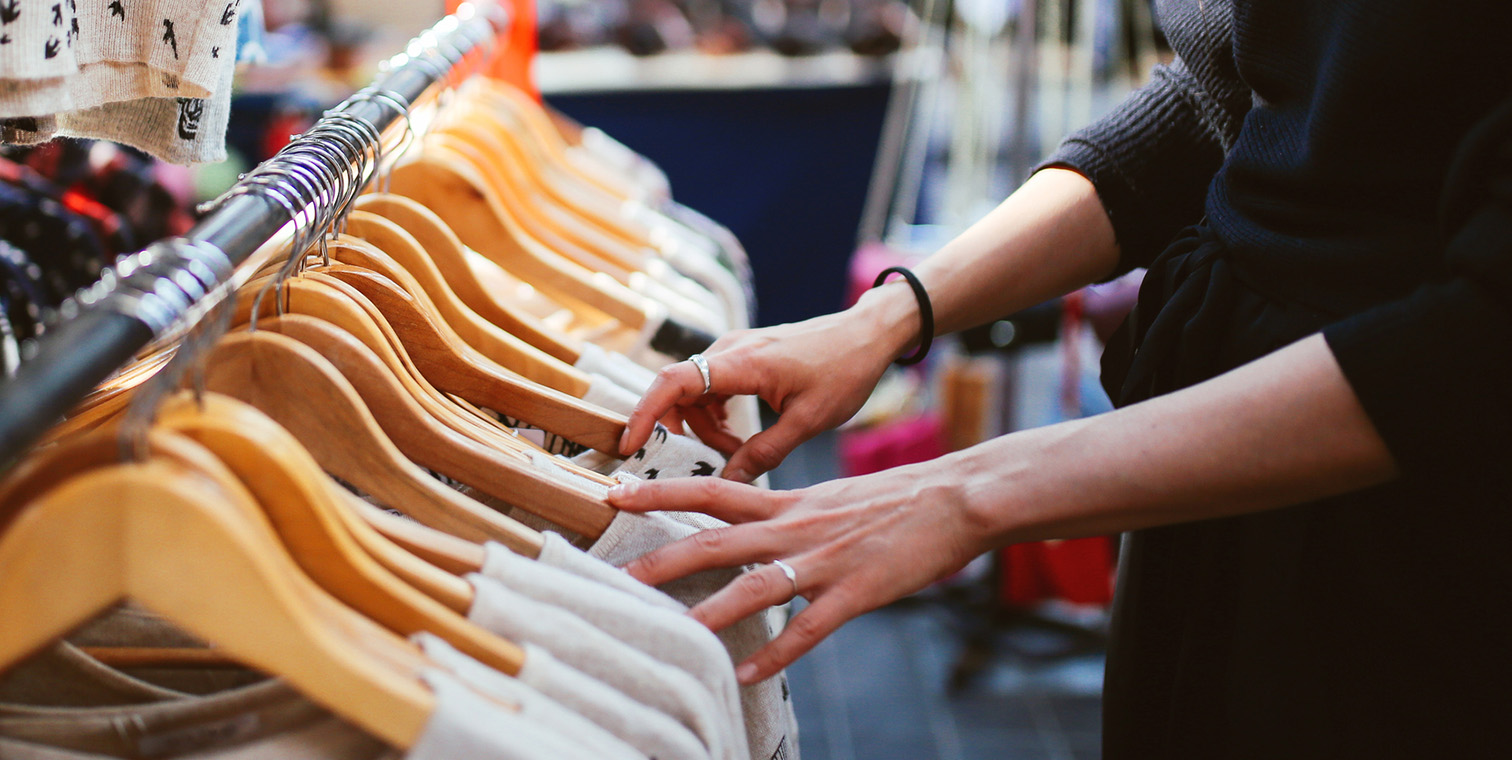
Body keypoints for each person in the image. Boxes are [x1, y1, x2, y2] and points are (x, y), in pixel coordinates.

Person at [606, 0, 1512, 755]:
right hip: (1207, 474)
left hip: (1408, 530)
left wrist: (967, 493)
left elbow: (1476, 343)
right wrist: (890, 314)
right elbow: (1235, 101)